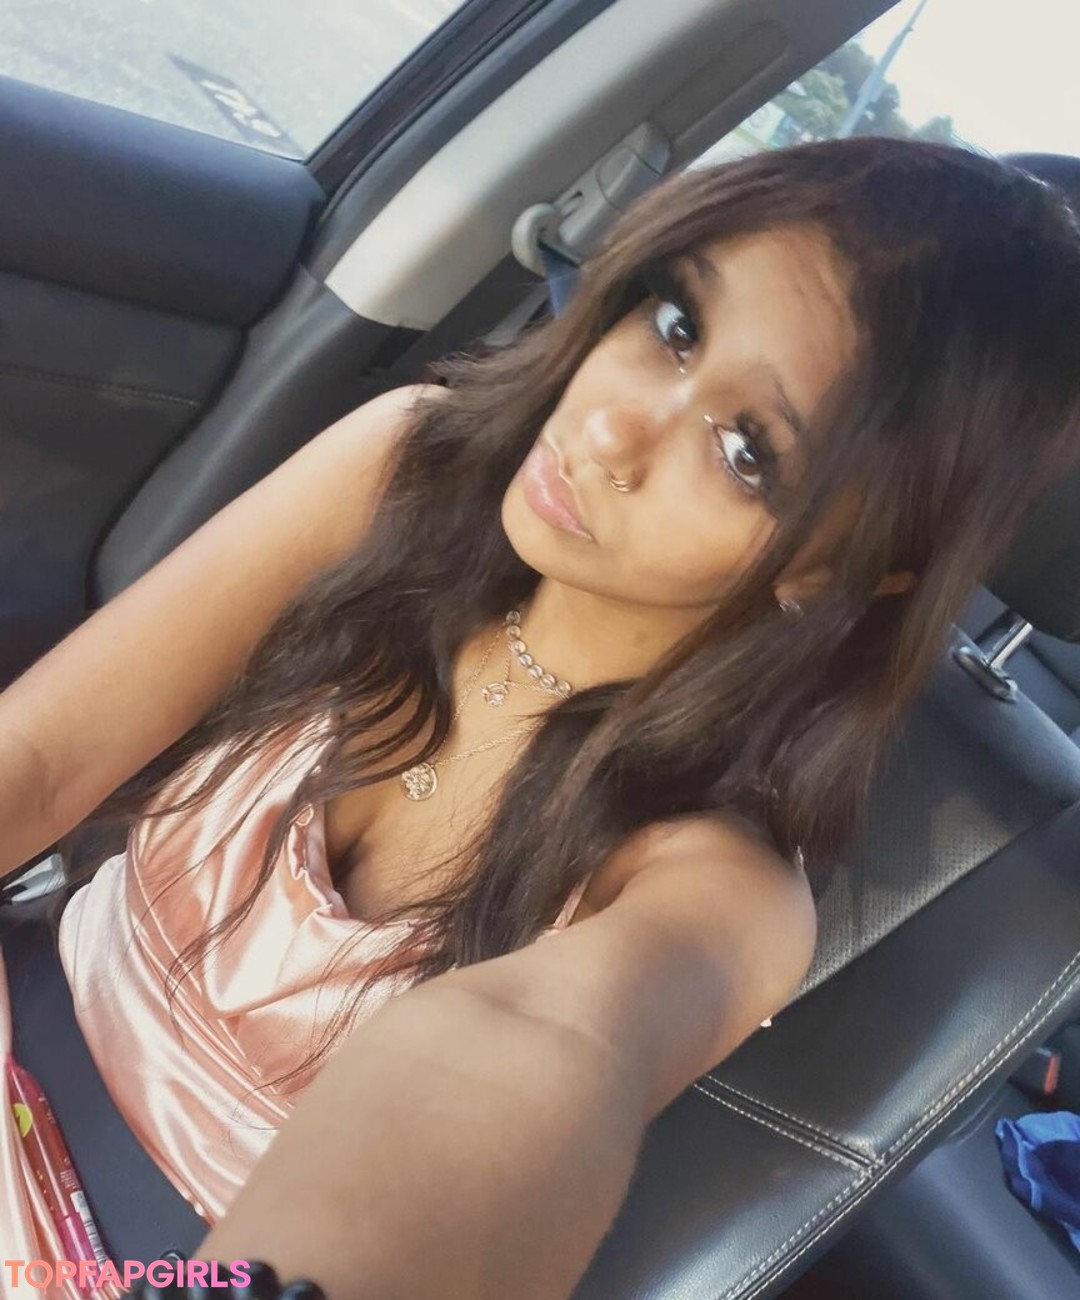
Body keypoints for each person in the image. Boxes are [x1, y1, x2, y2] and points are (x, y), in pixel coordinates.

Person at [2, 135, 1080, 1300]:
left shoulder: (724, 894)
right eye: (675, 323)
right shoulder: (403, 472)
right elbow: (44, 755)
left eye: (746, 452)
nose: (613, 428)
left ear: (846, 568)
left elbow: (543, 1045)